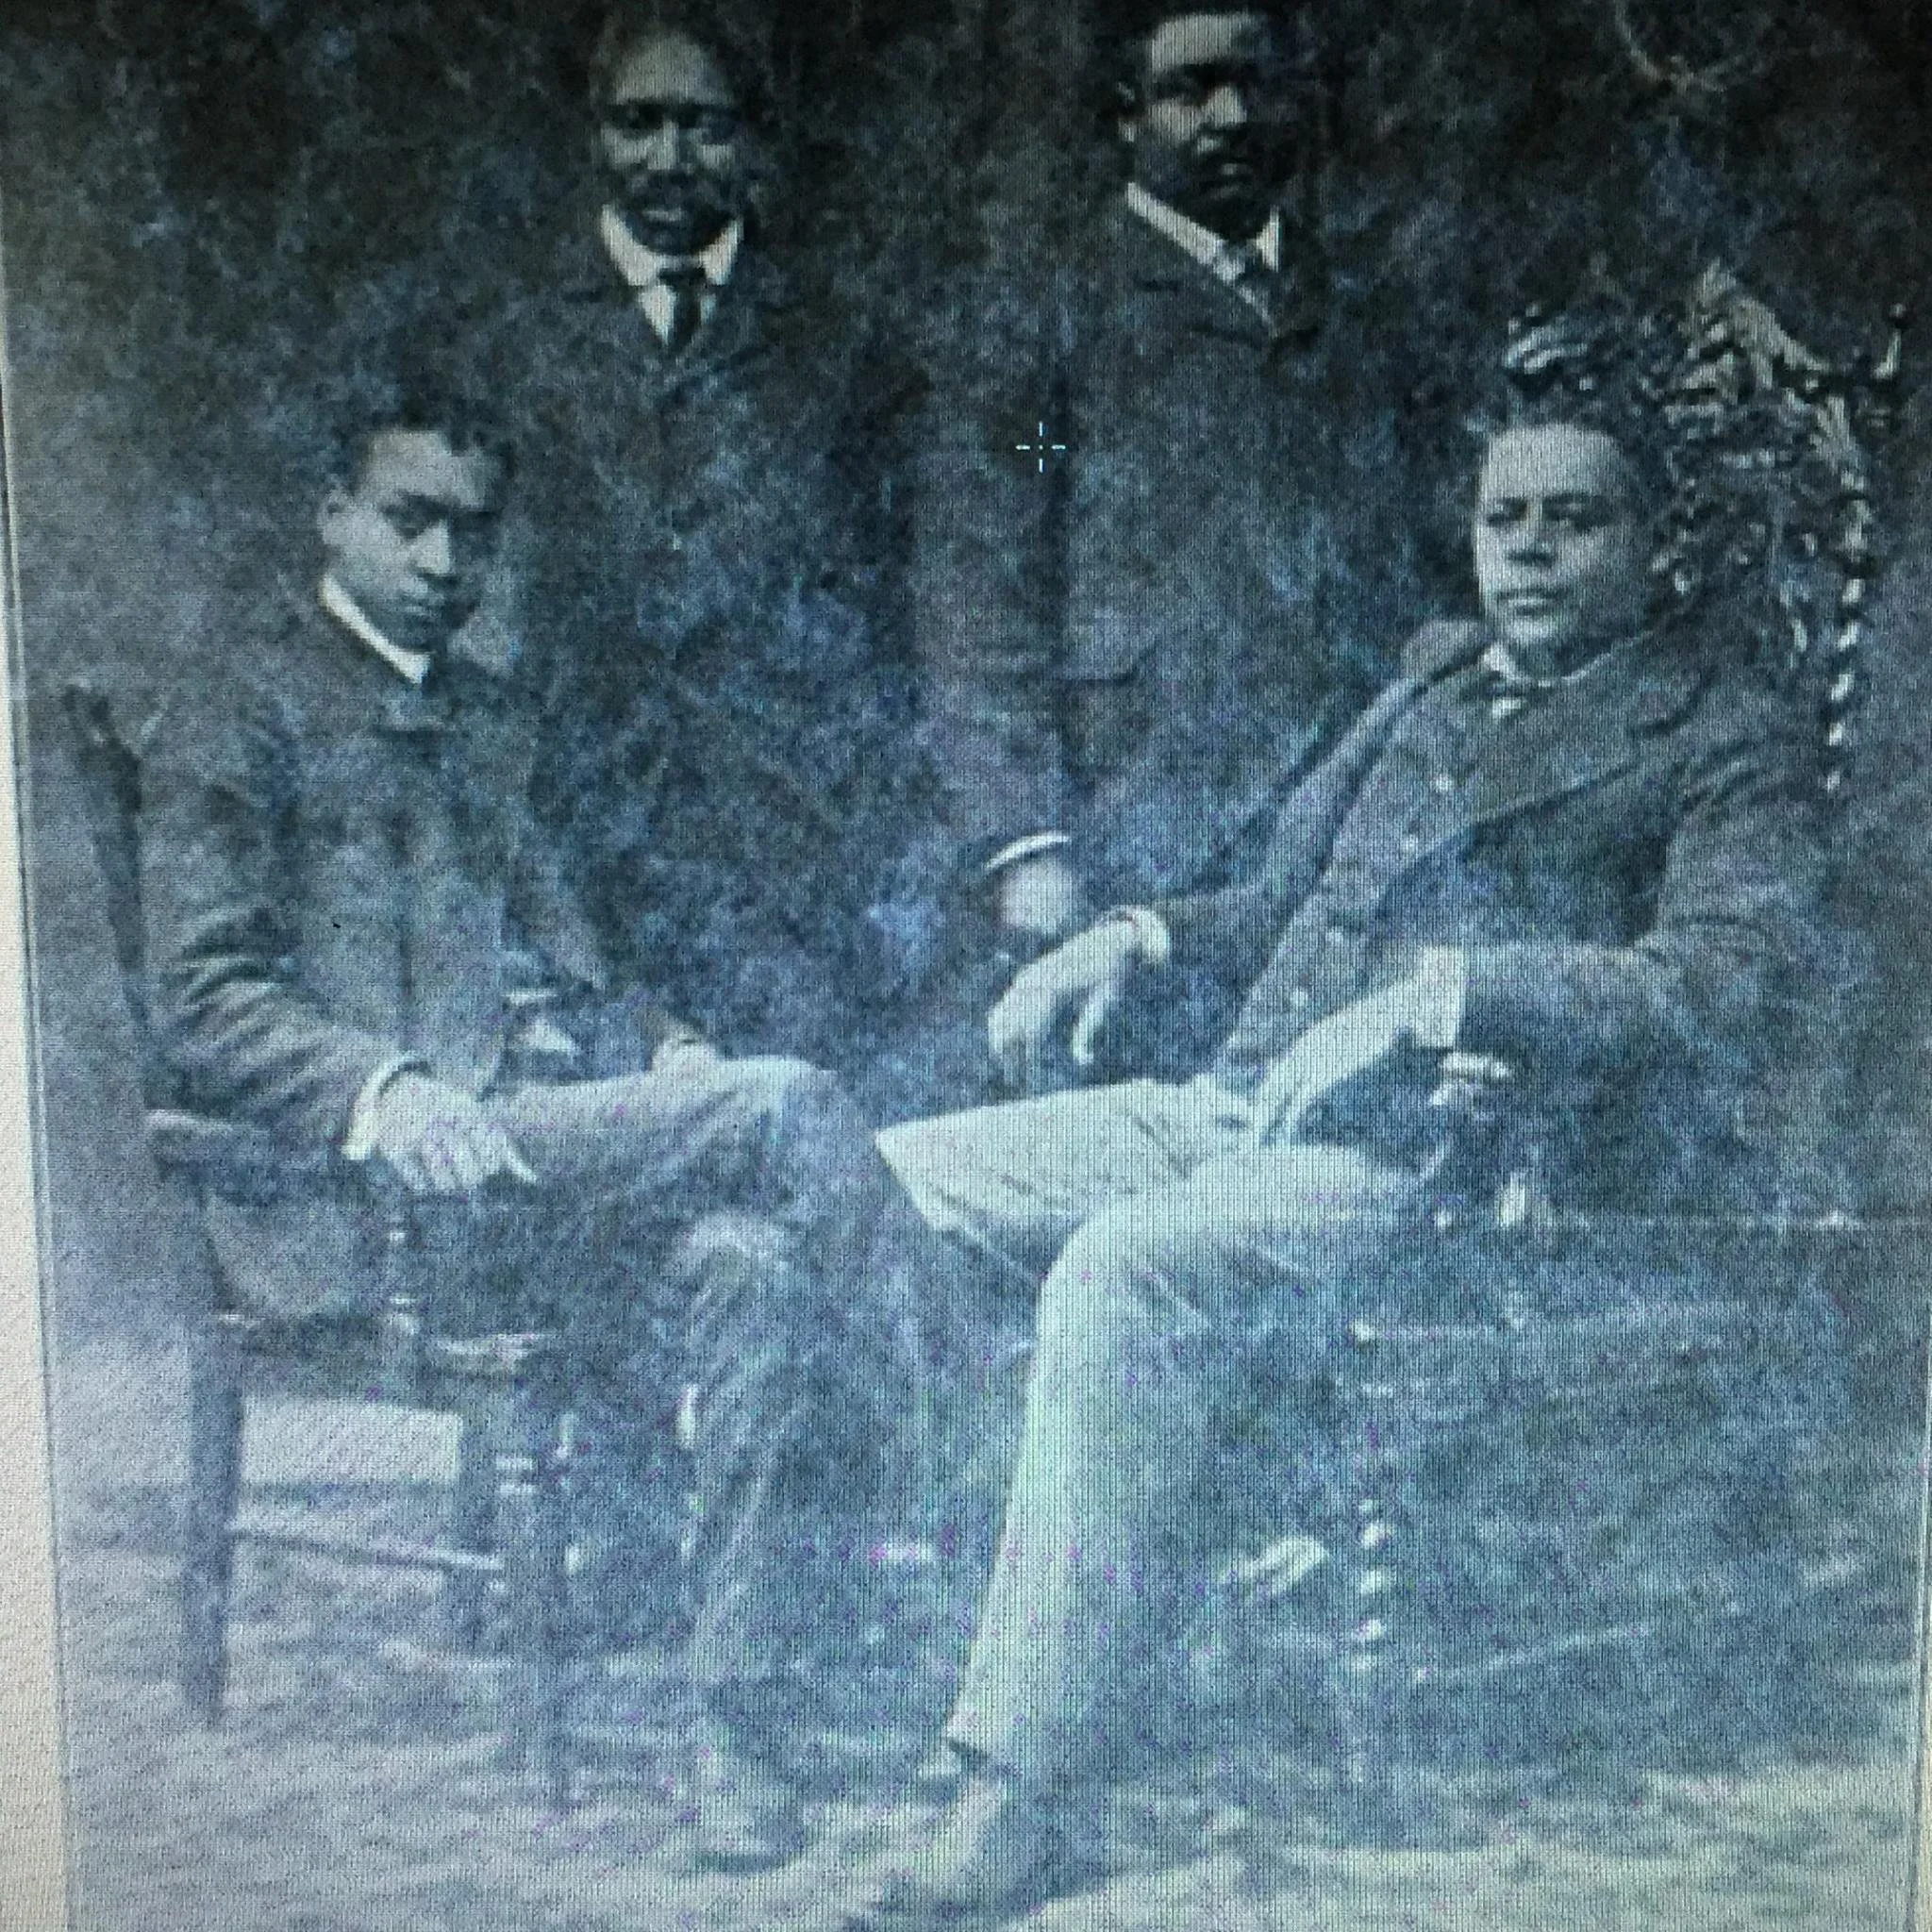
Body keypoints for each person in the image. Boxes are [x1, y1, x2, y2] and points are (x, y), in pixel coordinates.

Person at [853, 308, 1830, 1924]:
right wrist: (1139, 933)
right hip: (1228, 1100)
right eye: (1500, 519)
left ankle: (1018, 1781)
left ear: (1648, 542)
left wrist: (1452, 991)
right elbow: (1278, 887)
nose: (1527, 552)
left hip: (1445, 1162)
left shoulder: (1722, 732)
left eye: (1573, 520)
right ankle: (1045, 1619)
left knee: (1120, 1266)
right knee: (874, 1173)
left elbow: (1726, 982)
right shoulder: (1430, 681)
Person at [137, 379, 905, 1874]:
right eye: (408, 521)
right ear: (331, 514)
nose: (441, 565)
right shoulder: (234, 708)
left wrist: (658, 1045)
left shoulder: (491, 722)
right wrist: (385, 1090)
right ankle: (980, 1497)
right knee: (795, 1107)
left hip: (532, 1191)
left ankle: (733, 1727)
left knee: (749, 1267)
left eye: (470, 533)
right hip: (369, 1206)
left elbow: (581, 963)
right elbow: (200, 997)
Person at [908, 0, 1432, 1044]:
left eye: (1254, 84)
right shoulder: (1052, 316)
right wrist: (1027, 839)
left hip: (1338, 805)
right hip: (1136, 810)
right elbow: (983, 573)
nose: (1228, 116)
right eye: (1187, 91)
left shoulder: (1359, 306)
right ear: (1124, 118)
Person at [501, 2, 939, 1109]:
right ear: (593, 135)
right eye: (636, 123)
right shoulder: (509, 341)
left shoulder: (847, 340)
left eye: (703, 125)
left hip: (792, 848)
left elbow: (905, 596)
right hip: (582, 831)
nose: (668, 157)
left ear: (755, 142)